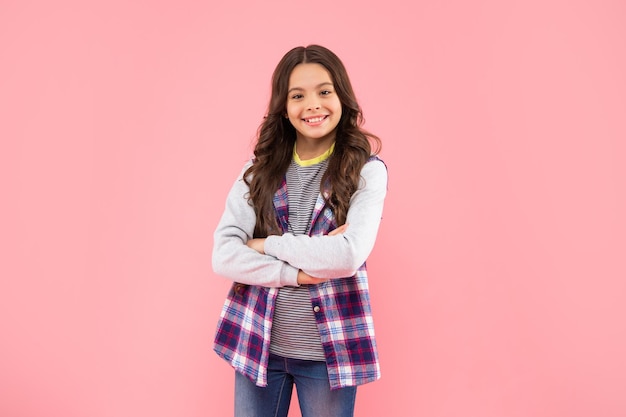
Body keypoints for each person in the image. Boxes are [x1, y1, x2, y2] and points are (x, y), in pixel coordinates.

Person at [212, 44, 388, 417]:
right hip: (257, 343)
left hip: (329, 352)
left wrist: (265, 244)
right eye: (298, 95)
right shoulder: (257, 171)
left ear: (342, 96)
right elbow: (224, 255)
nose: (313, 105)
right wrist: (295, 272)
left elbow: (347, 256)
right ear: (284, 106)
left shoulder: (367, 173)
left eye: (324, 91)